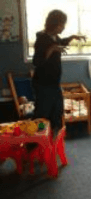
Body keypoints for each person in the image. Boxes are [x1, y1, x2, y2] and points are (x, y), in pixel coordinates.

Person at [26, 9, 86, 152]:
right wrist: (51, 50)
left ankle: (52, 141)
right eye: (61, 25)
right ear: (54, 24)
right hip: (42, 84)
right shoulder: (42, 39)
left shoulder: (55, 37)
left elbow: (61, 42)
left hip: (54, 83)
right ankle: (33, 144)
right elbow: (37, 61)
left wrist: (71, 37)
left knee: (57, 111)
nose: (63, 27)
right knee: (42, 115)